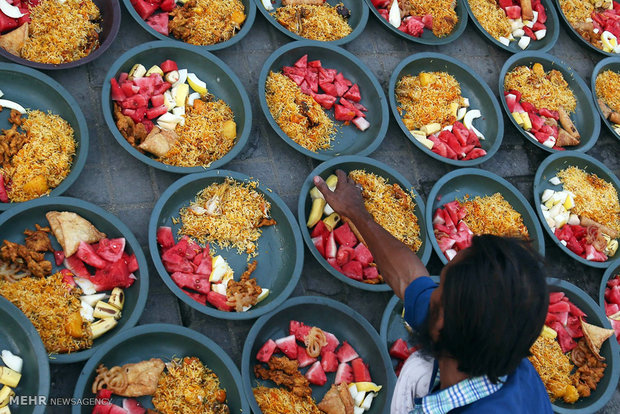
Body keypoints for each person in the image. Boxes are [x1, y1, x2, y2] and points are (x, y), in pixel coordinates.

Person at [314, 170, 553, 413]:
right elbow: (408, 279)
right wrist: (357, 213)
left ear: (440, 324)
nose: (430, 291)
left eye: (440, 287)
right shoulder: (496, 341)